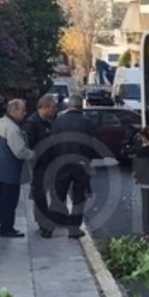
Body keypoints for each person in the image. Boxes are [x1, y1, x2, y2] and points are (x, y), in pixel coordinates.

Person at [48, 97, 99, 239]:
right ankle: (74, 228)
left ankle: (48, 227)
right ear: (80, 106)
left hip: (61, 163)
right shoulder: (88, 123)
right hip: (81, 163)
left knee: (58, 196)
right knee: (79, 197)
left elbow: (51, 143)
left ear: (69, 106)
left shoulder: (57, 123)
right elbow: (94, 145)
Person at [0, 99, 33, 237]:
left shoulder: (0, 123)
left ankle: (5, 226)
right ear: (14, 111)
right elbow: (20, 151)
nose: (25, 113)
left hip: (0, 169)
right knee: (9, 201)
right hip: (9, 170)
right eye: (22, 110)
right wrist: (33, 154)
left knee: (3, 200)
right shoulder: (12, 128)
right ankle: (7, 228)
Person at [25, 94, 59, 237]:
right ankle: (44, 224)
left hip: (50, 163)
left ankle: (50, 220)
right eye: (53, 107)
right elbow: (30, 146)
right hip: (39, 164)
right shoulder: (32, 123)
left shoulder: (48, 121)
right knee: (40, 194)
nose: (55, 110)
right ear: (44, 107)